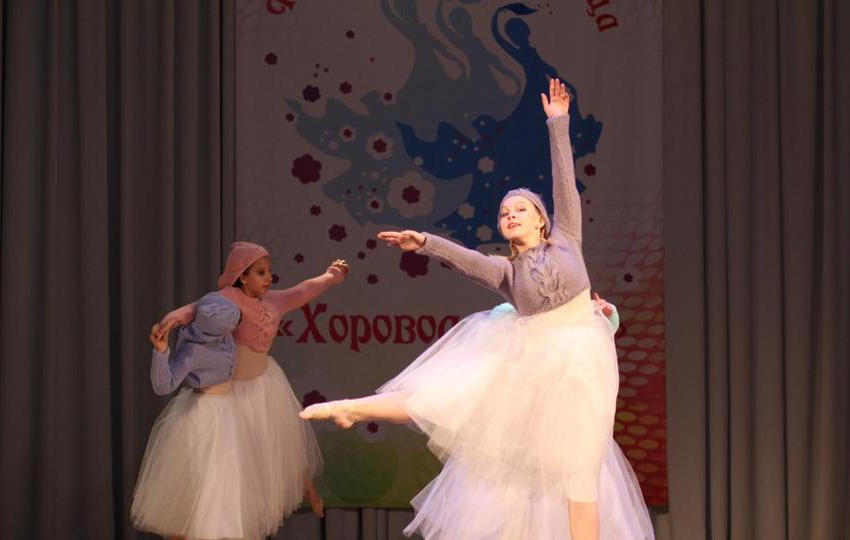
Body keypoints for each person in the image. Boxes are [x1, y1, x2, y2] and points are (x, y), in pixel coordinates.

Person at [301, 80, 654, 540]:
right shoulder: (505, 271)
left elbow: (564, 181)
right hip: (535, 365)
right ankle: (352, 408)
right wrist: (424, 242)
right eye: (505, 213)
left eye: (521, 209)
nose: (511, 215)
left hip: (583, 367)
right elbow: (465, 259)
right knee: (446, 398)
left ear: (541, 219)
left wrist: (558, 122)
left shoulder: (567, 237)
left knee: (581, 475)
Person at [132, 241, 349, 540]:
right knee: (229, 470)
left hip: (264, 385)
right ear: (242, 276)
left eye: (269, 271)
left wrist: (331, 275)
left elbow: (301, 292)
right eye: (260, 272)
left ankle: (307, 488)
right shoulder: (226, 300)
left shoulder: (274, 300)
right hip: (230, 393)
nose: (269, 277)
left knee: (278, 445)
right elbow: (194, 310)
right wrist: (172, 320)